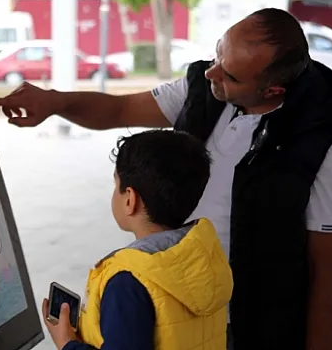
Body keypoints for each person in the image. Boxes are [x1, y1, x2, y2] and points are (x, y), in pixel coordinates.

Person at [0, 8, 332, 350]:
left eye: (228, 74)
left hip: (259, 323)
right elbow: (120, 109)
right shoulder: (204, 91)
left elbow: (325, 270)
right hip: (176, 307)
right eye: (218, 54)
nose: (212, 72)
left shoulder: (321, 147)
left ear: (272, 90)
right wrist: (56, 102)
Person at [41, 129, 233, 350]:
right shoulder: (205, 257)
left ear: (130, 199)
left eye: (116, 185)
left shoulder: (127, 283)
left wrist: (67, 343)